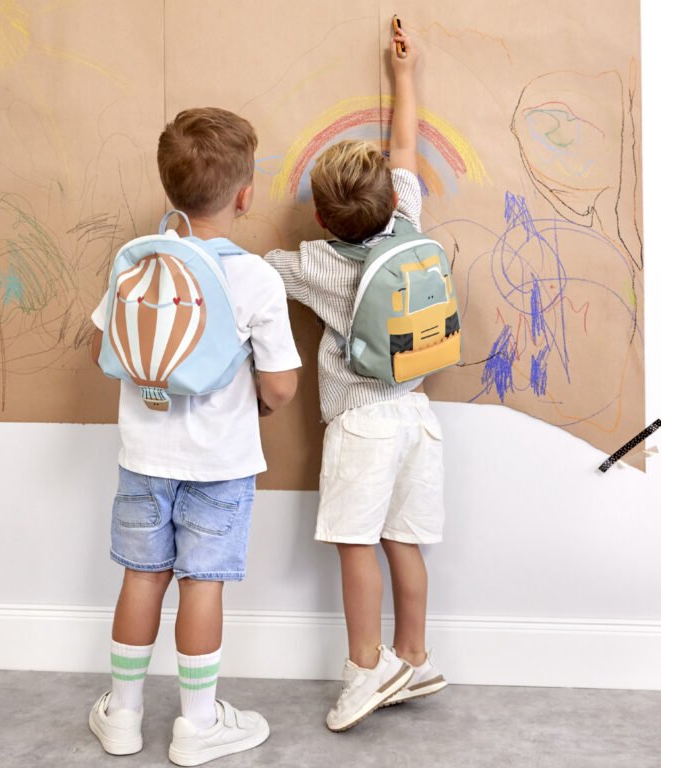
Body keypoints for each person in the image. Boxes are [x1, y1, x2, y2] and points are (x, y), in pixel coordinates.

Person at [87, 107, 302, 765]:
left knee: (142, 577)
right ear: (245, 195)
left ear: (169, 186)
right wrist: (260, 403)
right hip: (220, 464)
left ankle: (123, 715)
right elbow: (281, 385)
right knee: (201, 584)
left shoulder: (138, 262)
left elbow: (106, 347)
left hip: (143, 458)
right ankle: (198, 725)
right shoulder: (255, 277)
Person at [264, 26, 448, 732]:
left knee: (355, 544)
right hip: (418, 416)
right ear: (391, 199)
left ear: (319, 217)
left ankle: (365, 668)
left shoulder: (315, 263)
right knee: (404, 540)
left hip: (363, 424)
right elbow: (404, 147)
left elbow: (256, 271)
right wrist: (405, 75)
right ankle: (415, 656)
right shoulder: (409, 217)